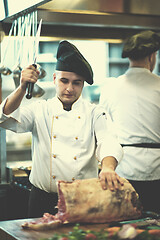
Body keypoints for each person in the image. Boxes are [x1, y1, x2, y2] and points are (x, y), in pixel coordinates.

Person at [0, 40, 123, 218]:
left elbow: (109, 142)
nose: (69, 89)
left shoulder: (95, 112)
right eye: (64, 81)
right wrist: (22, 88)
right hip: (41, 200)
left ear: (82, 85)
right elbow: (3, 117)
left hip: (82, 199)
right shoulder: (40, 109)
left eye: (77, 83)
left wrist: (108, 168)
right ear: (55, 79)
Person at [100, 30, 160, 213]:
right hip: (157, 172)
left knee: (124, 226)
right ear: (152, 56)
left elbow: (103, 131)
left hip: (121, 172)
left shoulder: (110, 87)